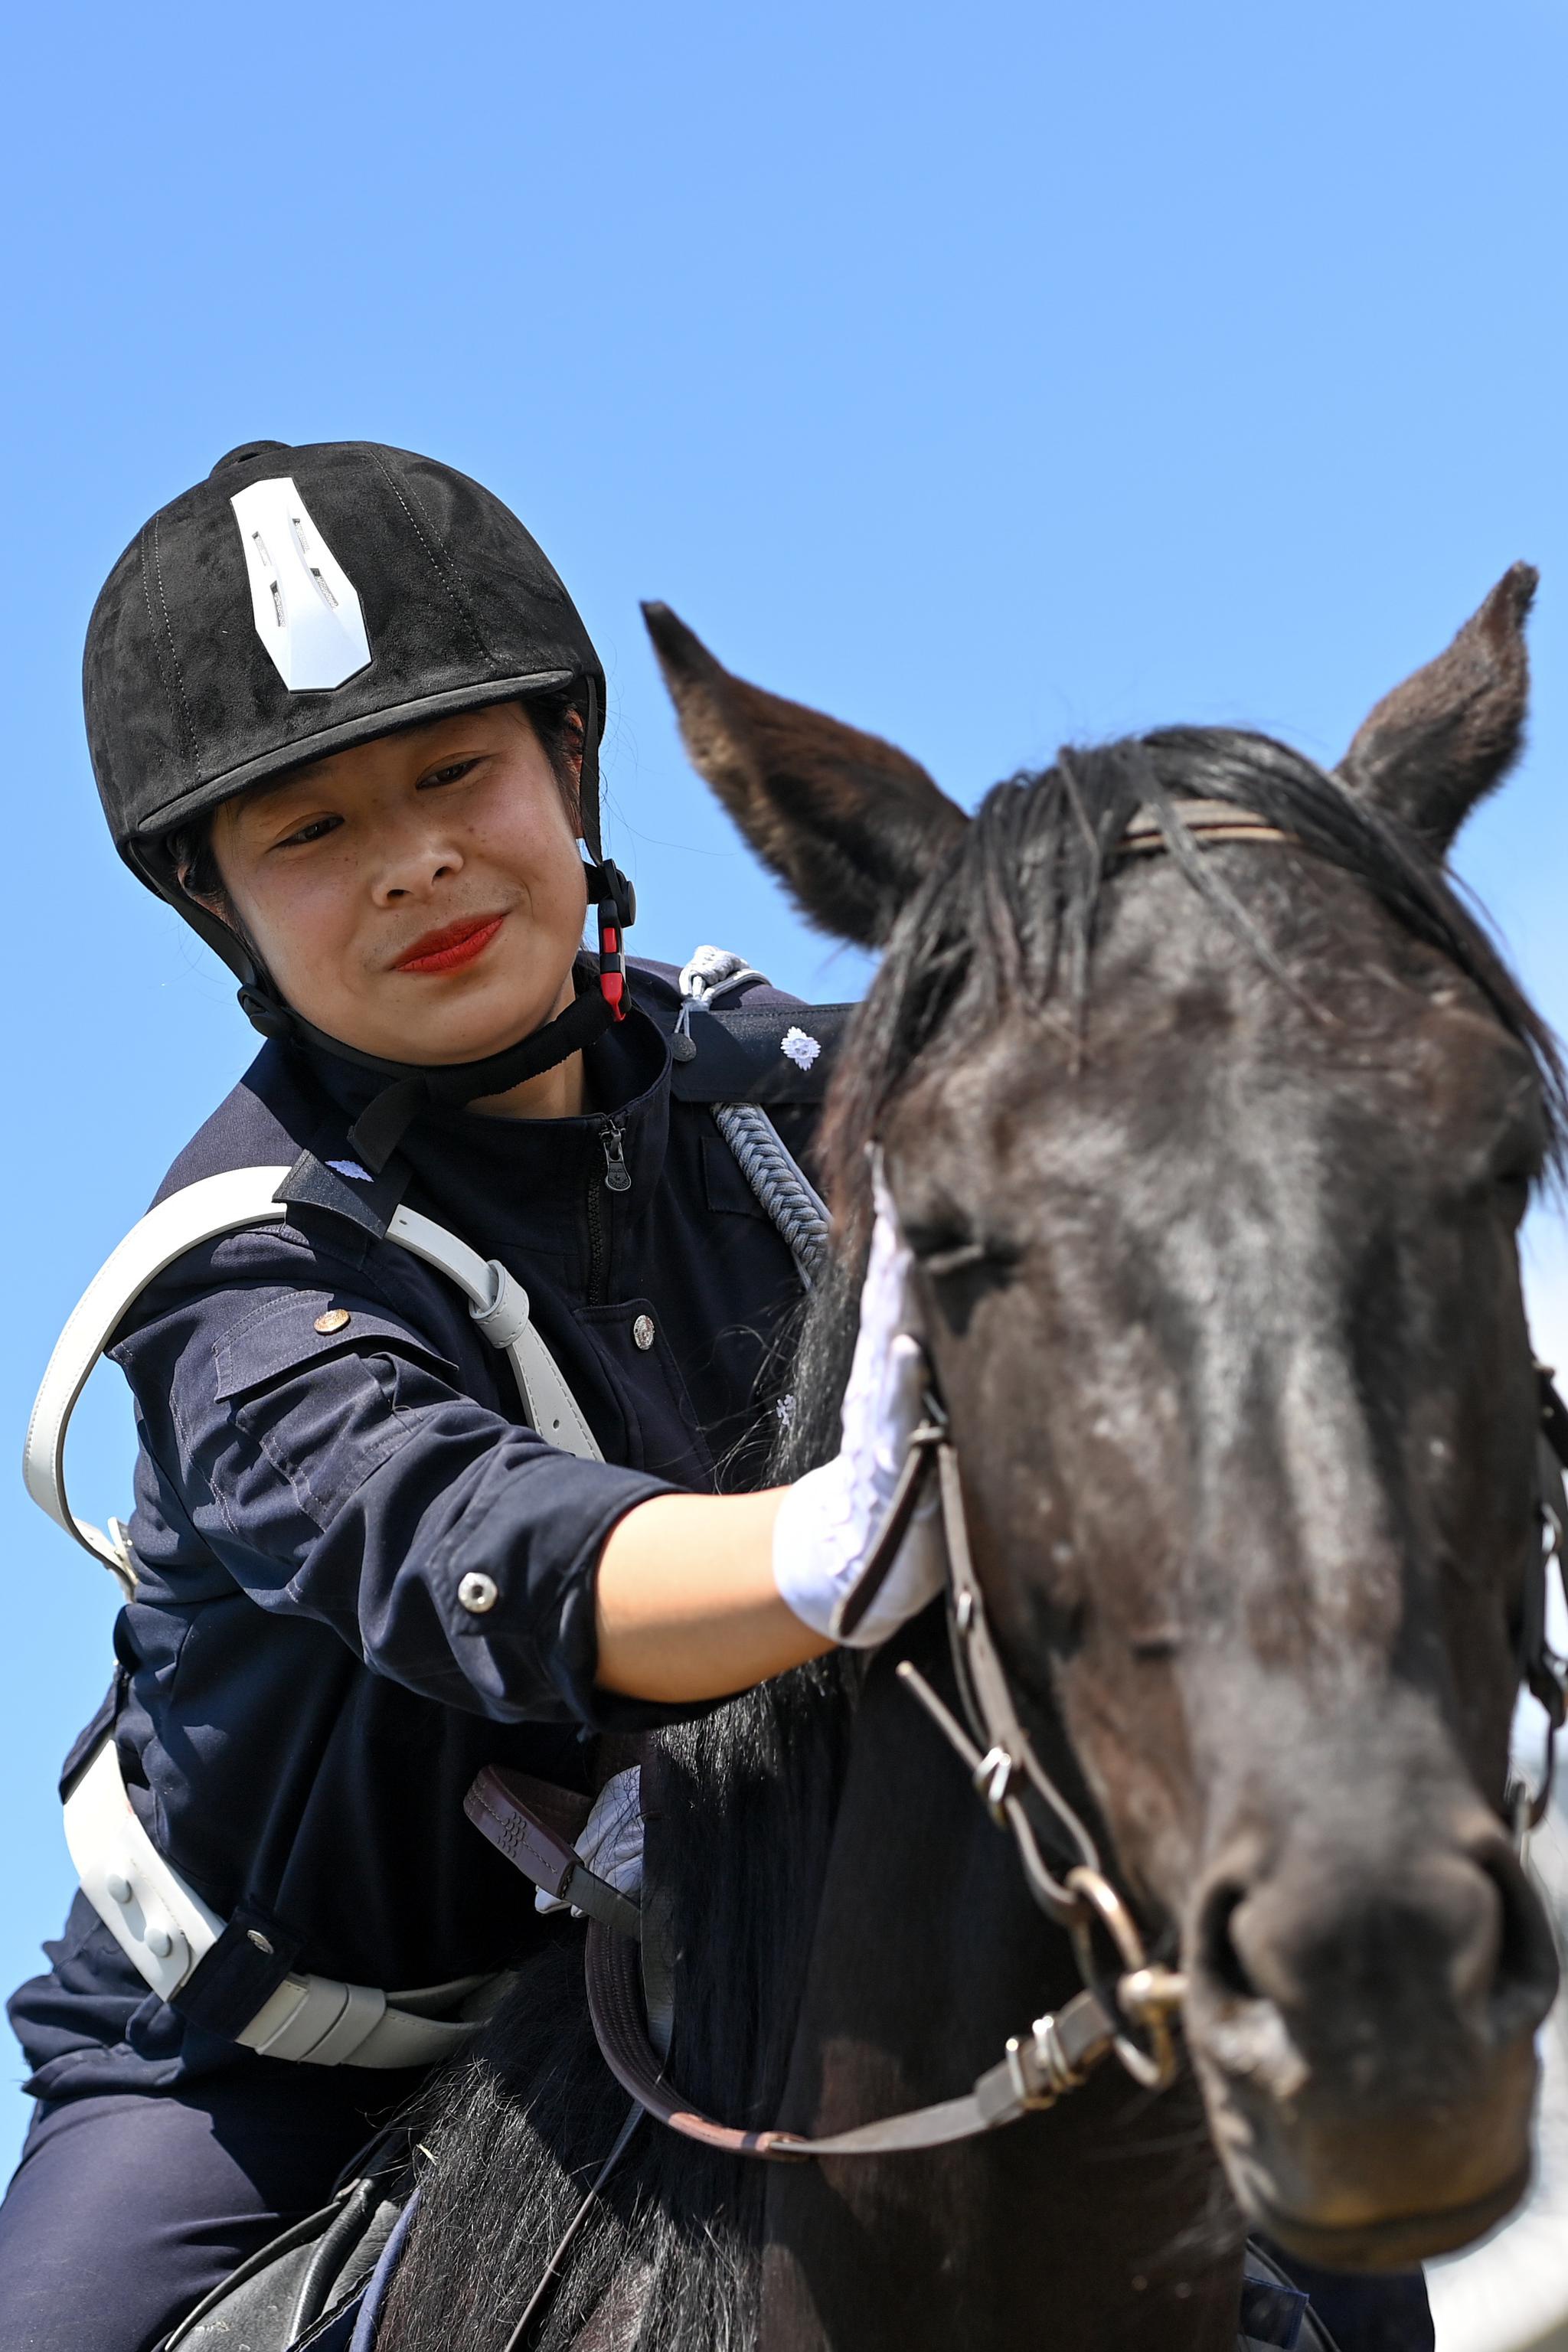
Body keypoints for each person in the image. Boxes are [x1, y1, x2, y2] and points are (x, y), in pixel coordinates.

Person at [0, 440, 941, 2352]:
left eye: (453, 775)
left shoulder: (789, 1092)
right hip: (269, 2077)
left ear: (568, 769)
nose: (416, 859)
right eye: (310, 831)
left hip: (761, 1949)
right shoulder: (240, 1277)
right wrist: (867, 1534)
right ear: (216, 903)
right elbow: (493, 1563)